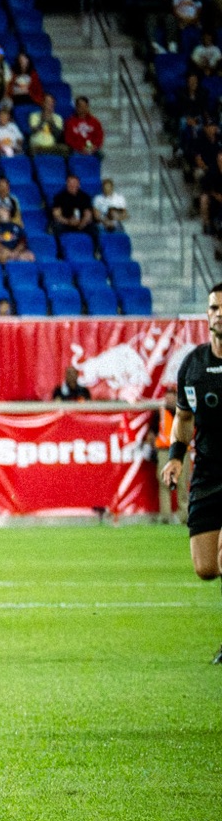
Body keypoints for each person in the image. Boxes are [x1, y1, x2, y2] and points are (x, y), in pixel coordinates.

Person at [163, 283, 222, 661]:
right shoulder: (194, 365)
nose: (218, 313)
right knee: (206, 568)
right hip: (207, 477)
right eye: (213, 307)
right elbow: (183, 418)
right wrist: (175, 458)